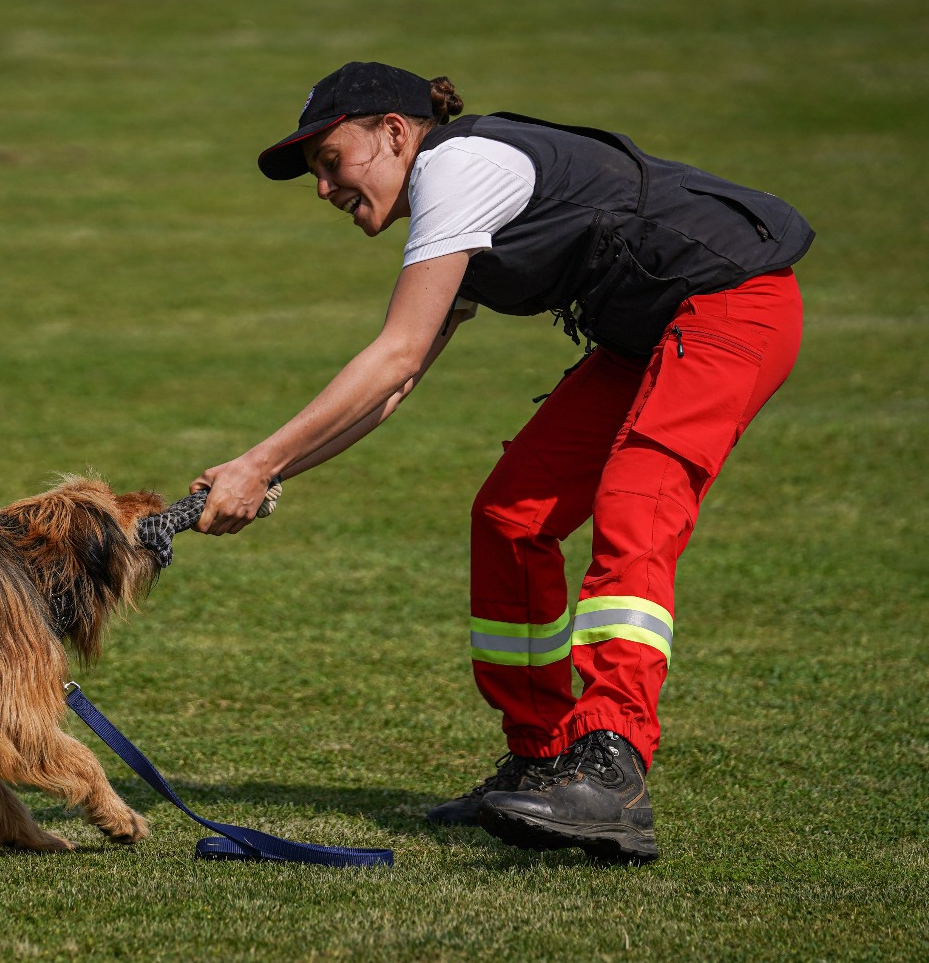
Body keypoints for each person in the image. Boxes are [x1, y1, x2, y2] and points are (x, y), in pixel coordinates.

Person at [192, 62, 811, 864]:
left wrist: (256, 460)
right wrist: (268, 472)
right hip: (645, 334)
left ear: (393, 132)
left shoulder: (458, 168)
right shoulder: (451, 200)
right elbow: (396, 385)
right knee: (511, 515)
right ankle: (543, 757)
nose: (322, 188)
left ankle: (612, 768)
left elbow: (394, 353)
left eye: (330, 161)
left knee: (637, 501)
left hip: (733, 305)